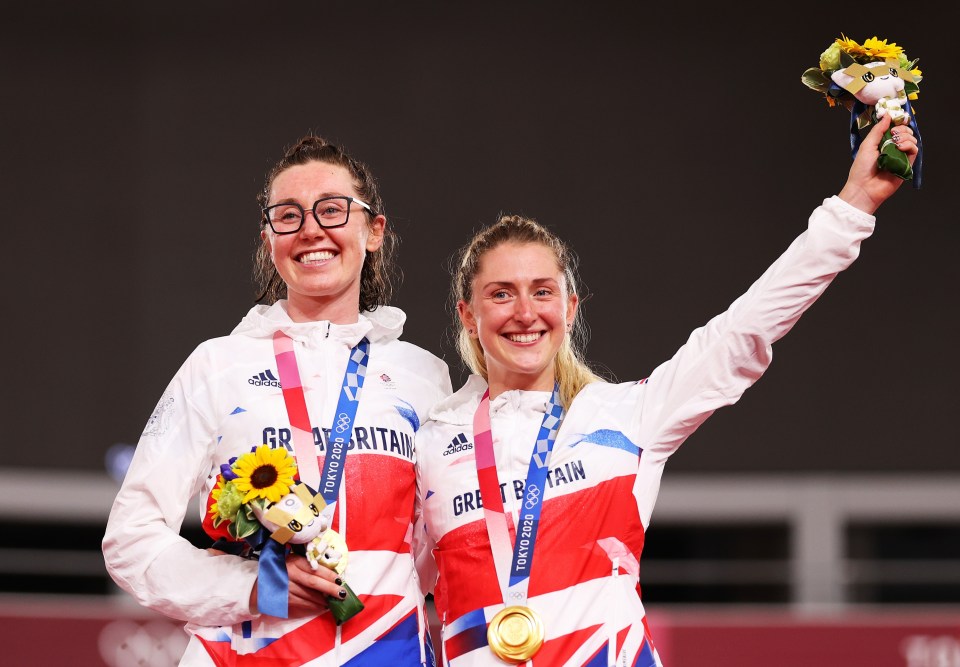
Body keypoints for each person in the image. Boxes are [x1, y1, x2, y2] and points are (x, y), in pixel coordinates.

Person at [415, 114, 918, 666]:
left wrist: (852, 207)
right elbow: (392, 581)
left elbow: (743, 331)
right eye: (501, 295)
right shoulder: (433, 442)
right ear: (468, 315)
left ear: (570, 307)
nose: (526, 313)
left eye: (542, 291)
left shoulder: (629, 415)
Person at [103, 136, 452, 666]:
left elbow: (440, 549)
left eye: (332, 210)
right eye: (288, 216)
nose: (311, 229)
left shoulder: (424, 377)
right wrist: (253, 585)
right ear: (269, 238)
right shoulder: (218, 365)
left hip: (386, 652)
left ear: (374, 230)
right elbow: (131, 539)